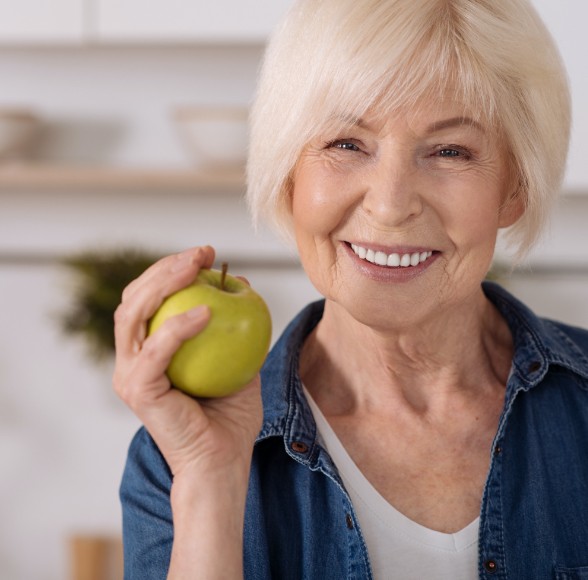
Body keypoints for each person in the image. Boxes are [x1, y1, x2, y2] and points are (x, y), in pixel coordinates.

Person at [114, 0, 588, 578]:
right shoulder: (174, 460)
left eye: (449, 151)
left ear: (514, 188)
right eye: (346, 144)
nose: (390, 205)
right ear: (290, 173)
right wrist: (210, 482)